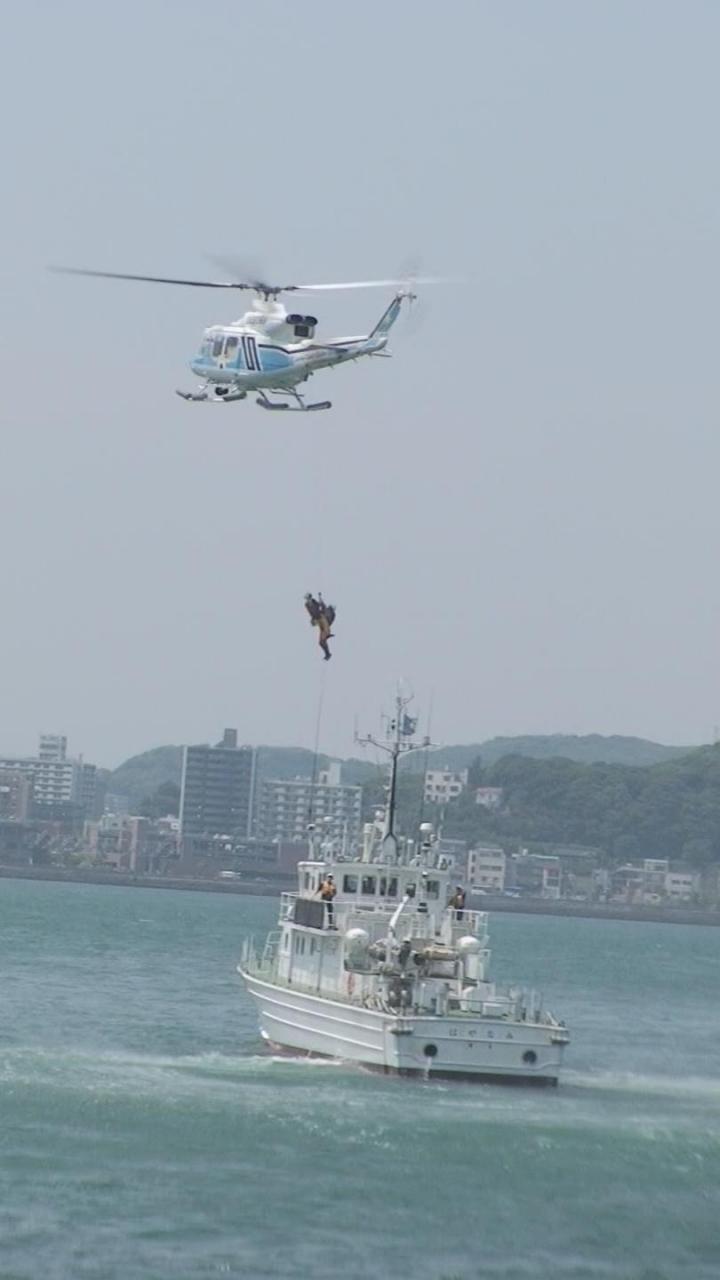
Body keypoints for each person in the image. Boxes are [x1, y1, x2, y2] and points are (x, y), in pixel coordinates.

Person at [304, 592, 335, 661]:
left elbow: (322, 606)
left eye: (308, 599)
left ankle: (328, 654)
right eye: (307, 599)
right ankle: (327, 654)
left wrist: (320, 599)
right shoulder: (307, 605)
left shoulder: (318, 606)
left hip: (323, 622)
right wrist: (313, 620)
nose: (308, 600)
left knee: (322, 641)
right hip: (320, 622)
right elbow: (312, 614)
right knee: (321, 643)